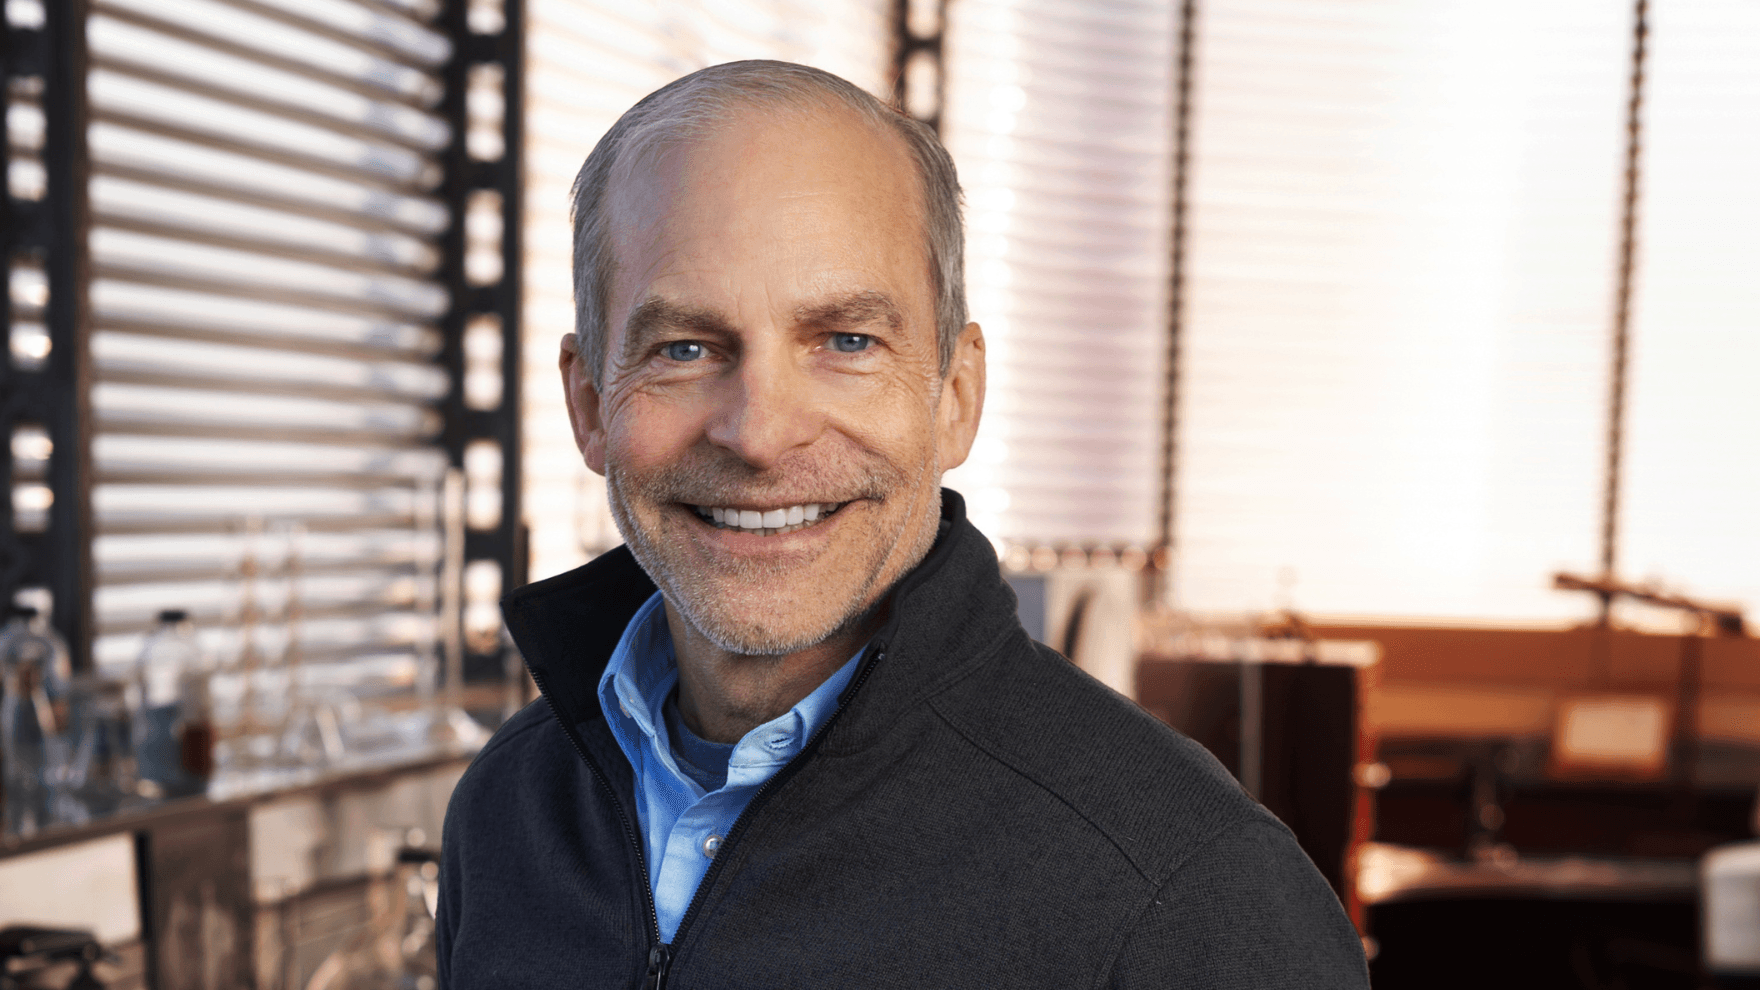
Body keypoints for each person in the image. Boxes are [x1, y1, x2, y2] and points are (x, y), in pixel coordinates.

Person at [436, 60, 1368, 989]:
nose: (760, 434)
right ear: (592, 404)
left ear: (955, 397)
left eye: (846, 341)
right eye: (684, 348)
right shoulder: (506, 811)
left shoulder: (1190, 893)